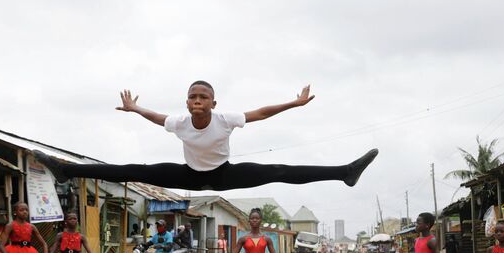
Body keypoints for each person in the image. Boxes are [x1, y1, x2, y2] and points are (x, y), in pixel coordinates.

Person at [34, 82, 378, 191]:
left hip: (224, 175)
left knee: (278, 170)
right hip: (189, 176)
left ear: (213, 103)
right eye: (192, 97)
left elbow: (260, 113)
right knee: (133, 169)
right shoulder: (180, 121)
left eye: (203, 97)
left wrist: (295, 103)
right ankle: (68, 171)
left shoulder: (226, 119)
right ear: (187, 102)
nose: (197, 101)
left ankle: (345, 172)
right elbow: (157, 118)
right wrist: (136, 110)